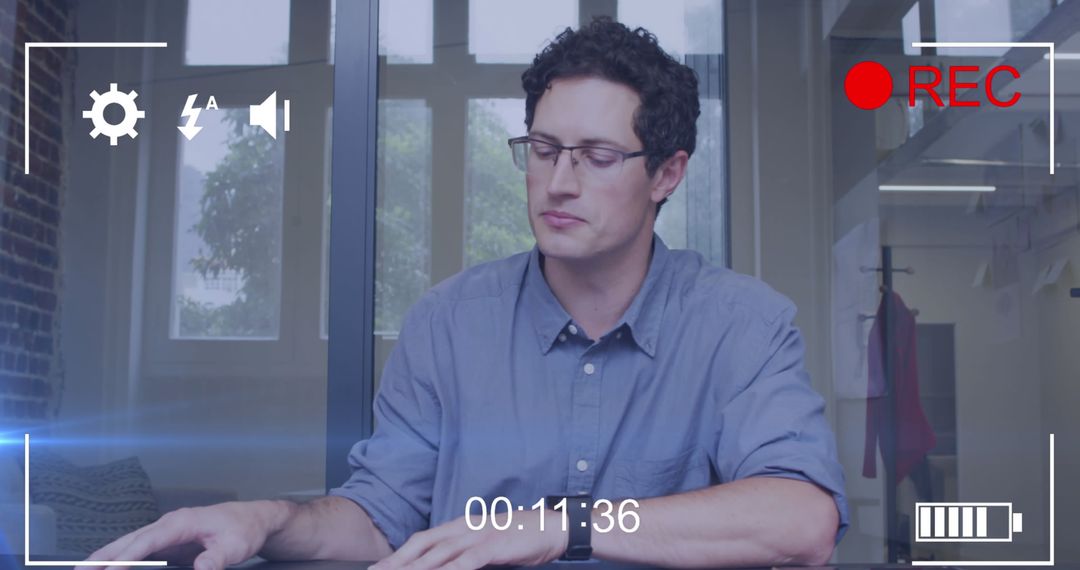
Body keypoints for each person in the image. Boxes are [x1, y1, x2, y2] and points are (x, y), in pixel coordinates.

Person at [88, 19, 847, 570]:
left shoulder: (741, 324)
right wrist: (264, 519)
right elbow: (377, 521)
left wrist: (564, 526)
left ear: (668, 174)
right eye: (543, 149)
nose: (557, 181)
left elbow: (802, 518)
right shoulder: (448, 323)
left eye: (597, 156)